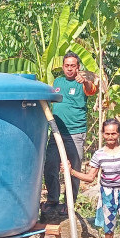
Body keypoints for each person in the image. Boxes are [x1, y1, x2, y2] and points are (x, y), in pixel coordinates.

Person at [42, 52, 98, 215]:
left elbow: (91, 90)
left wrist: (85, 81)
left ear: (78, 67)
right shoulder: (57, 82)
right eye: (67, 65)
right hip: (57, 132)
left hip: (75, 133)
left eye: (73, 65)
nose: (69, 69)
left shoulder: (82, 82)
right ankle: (52, 199)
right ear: (63, 66)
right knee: (50, 165)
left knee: (73, 169)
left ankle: (70, 203)